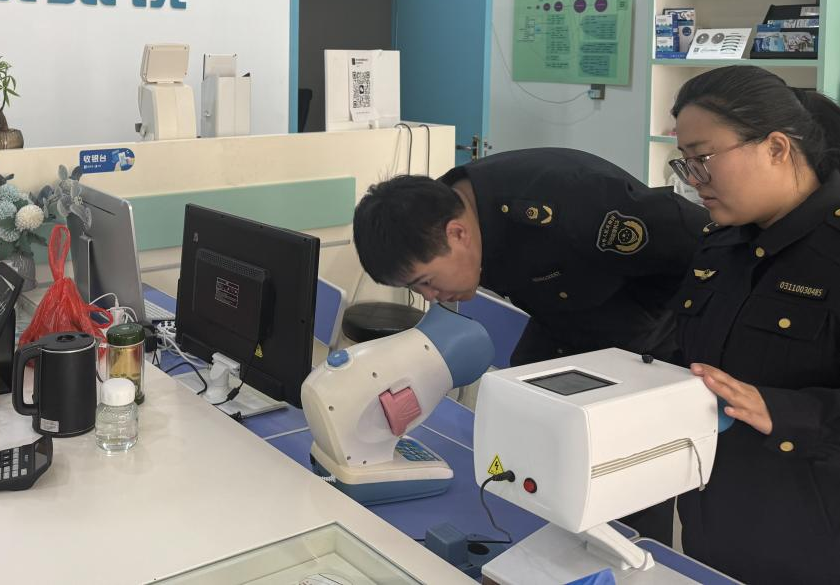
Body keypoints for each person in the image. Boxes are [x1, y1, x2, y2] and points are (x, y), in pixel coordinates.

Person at [353, 148, 708, 545]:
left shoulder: (572, 204)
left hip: (649, 336)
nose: (430, 297)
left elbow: (705, 243)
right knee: (524, 433)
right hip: (566, 320)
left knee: (624, 484)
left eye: (426, 282)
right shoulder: (441, 213)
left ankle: (632, 554)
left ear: (458, 233)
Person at [669, 66, 840, 584]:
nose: (693, 179)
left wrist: (785, 412)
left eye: (704, 159)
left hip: (813, 545)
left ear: (777, 148)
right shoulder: (721, 244)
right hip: (713, 525)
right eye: (685, 162)